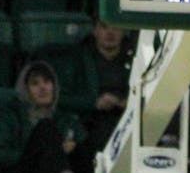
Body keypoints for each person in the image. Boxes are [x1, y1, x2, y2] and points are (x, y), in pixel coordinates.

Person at [55, 17, 133, 156]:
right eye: (104, 27)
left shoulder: (135, 57)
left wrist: (125, 103)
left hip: (127, 120)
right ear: (95, 30)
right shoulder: (78, 58)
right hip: (89, 123)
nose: (110, 33)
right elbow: (60, 98)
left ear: (123, 31)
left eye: (115, 27)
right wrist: (94, 103)